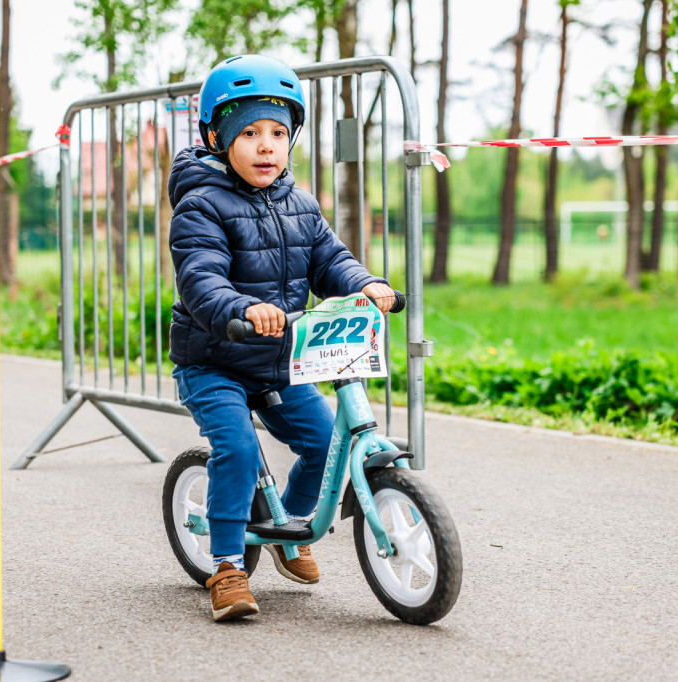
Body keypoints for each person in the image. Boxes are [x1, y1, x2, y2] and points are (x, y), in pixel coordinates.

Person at [168, 54, 395, 622]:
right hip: (215, 358)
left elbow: (329, 259)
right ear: (216, 138)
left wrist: (364, 282)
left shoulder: (299, 202)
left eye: (277, 132)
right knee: (239, 450)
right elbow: (202, 279)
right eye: (248, 133)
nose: (266, 146)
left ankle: (288, 532)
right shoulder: (200, 205)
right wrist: (245, 307)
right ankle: (226, 565)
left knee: (323, 442)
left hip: (279, 359)